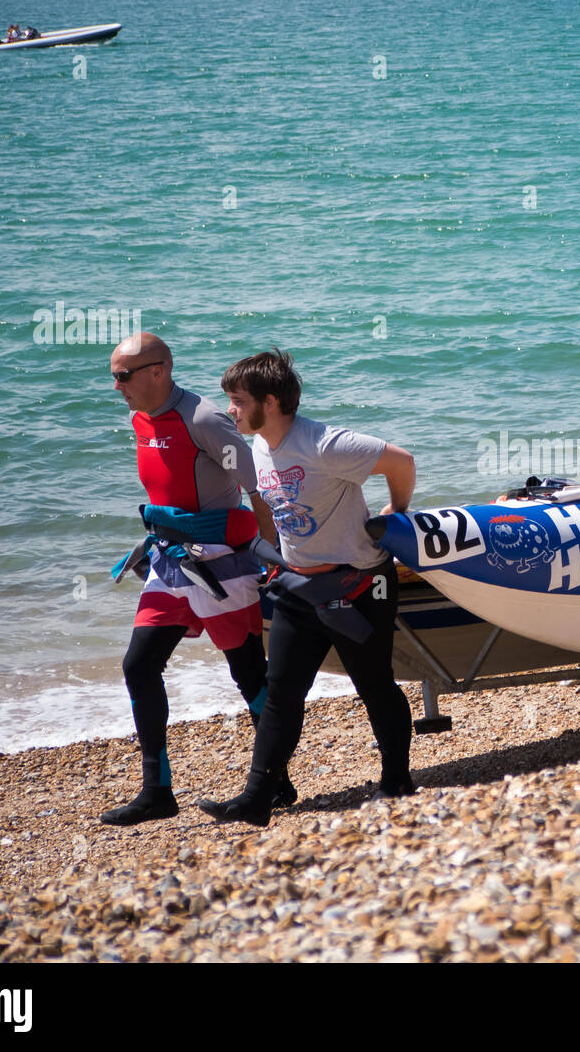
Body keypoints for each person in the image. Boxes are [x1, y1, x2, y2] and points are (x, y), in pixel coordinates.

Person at [199, 350, 417, 826]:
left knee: (374, 685)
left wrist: (394, 513)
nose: (231, 411)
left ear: (270, 402)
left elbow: (401, 461)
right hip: (299, 586)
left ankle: (397, 781)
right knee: (281, 691)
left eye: (237, 401)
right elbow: (273, 508)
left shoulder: (326, 444)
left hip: (360, 585)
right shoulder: (259, 446)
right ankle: (257, 799)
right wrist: (271, 554)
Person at [102, 333, 291, 825]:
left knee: (248, 672)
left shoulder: (204, 421)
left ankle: (275, 781)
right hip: (169, 562)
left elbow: (258, 490)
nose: (116, 385)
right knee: (139, 665)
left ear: (158, 370)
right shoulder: (139, 417)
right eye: (113, 375)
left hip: (221, 565)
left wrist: (272, 561)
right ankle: (157, 792)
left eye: (123, 375)